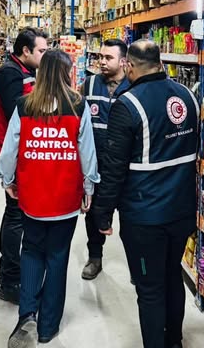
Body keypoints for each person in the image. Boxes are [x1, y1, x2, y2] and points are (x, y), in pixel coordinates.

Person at [93, 39, 199, 348]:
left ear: (129, 65)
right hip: (181, 212)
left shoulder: (127, 105)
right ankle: (175, 341)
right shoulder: (188, 97)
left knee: (150, 288)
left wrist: (103, 212)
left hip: (145, 218)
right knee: (172, 277)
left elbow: (113, 169)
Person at [0, 49, 99, 348]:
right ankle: (47, 326)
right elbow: (87, 154)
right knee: (57, 257)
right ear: (68, 74)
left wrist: (7, 180)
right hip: (65, 198)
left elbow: (9, 150)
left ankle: (27, 312)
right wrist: (89, 188)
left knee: (30, 251)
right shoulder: (78, 106)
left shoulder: (24, 104)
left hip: (32, 196)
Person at [0, 27, 48, 304]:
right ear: (25, 51)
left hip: (26, 153)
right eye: (41, 51)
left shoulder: (26, 71)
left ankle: (10, 273)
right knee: (15, 215)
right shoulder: (8, 74)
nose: (44, 55)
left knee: (19, 215)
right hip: (13, 154)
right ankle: (11, 280)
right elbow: (20, 111)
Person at [81, 38, 130, 280]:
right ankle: (95, 257)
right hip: (97, 162)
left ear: (123, 61)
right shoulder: (89, 84)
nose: (101, 62)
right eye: (100, 57)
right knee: (94, 212)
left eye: (108, 58)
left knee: (131, 217)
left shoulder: (134, 86)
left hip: (127, 165)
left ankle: (136, 263)